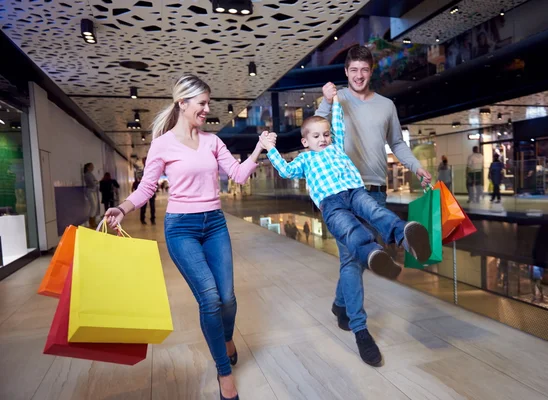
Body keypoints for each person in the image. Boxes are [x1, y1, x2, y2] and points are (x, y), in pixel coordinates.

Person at [104, 74, 269, 400]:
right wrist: (123, 208)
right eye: (202, 103)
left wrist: (258, 150)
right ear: (183, 103)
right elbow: (148, 187)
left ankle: (225, 337)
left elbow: (236, 175)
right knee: (209, 298)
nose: (207, 109)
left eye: (208, 103)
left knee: (228, 298)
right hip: (181, 229)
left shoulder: (212, 141)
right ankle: (224, 373)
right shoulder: (163, 144)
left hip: (215, 225)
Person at [264, 92, 432, 366]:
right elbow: (284, 169)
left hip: (355, 191)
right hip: (332, 203)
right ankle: (372, 257)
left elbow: (339, 124)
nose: (323, 139)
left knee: (378, 213)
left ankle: (406, 236)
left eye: (326, 134)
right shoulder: (305, 159)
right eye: (316, 136)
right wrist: (270, 147)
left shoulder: (337, 146)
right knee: (352, 233)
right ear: (305, 141)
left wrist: (335, 103)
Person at [313, 46, 432, 367]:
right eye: (353, 70)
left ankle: (341, 306)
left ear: (371, 71)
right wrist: (326, 101)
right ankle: (360, 329)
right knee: (353, 261)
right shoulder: (336, 99)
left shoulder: (386, 106)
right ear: (346, 72)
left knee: (358, 258)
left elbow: (396, 143)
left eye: (364, 70)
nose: (359, 75)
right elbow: (314, 133)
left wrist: (416, 167)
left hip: (375, 191)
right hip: (340, 191)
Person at [83, 162, 99, 227]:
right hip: (90, 191)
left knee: (95, 206)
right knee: (94, 206)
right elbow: (93, 183)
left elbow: (95, 182)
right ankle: (91, 222)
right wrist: (96, 182)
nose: (93, 167)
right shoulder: (87, 175)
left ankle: (93, 221)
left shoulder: (91, 174)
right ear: (88, 167)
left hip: (93, 190)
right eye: (91, 166)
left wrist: (96, 182)